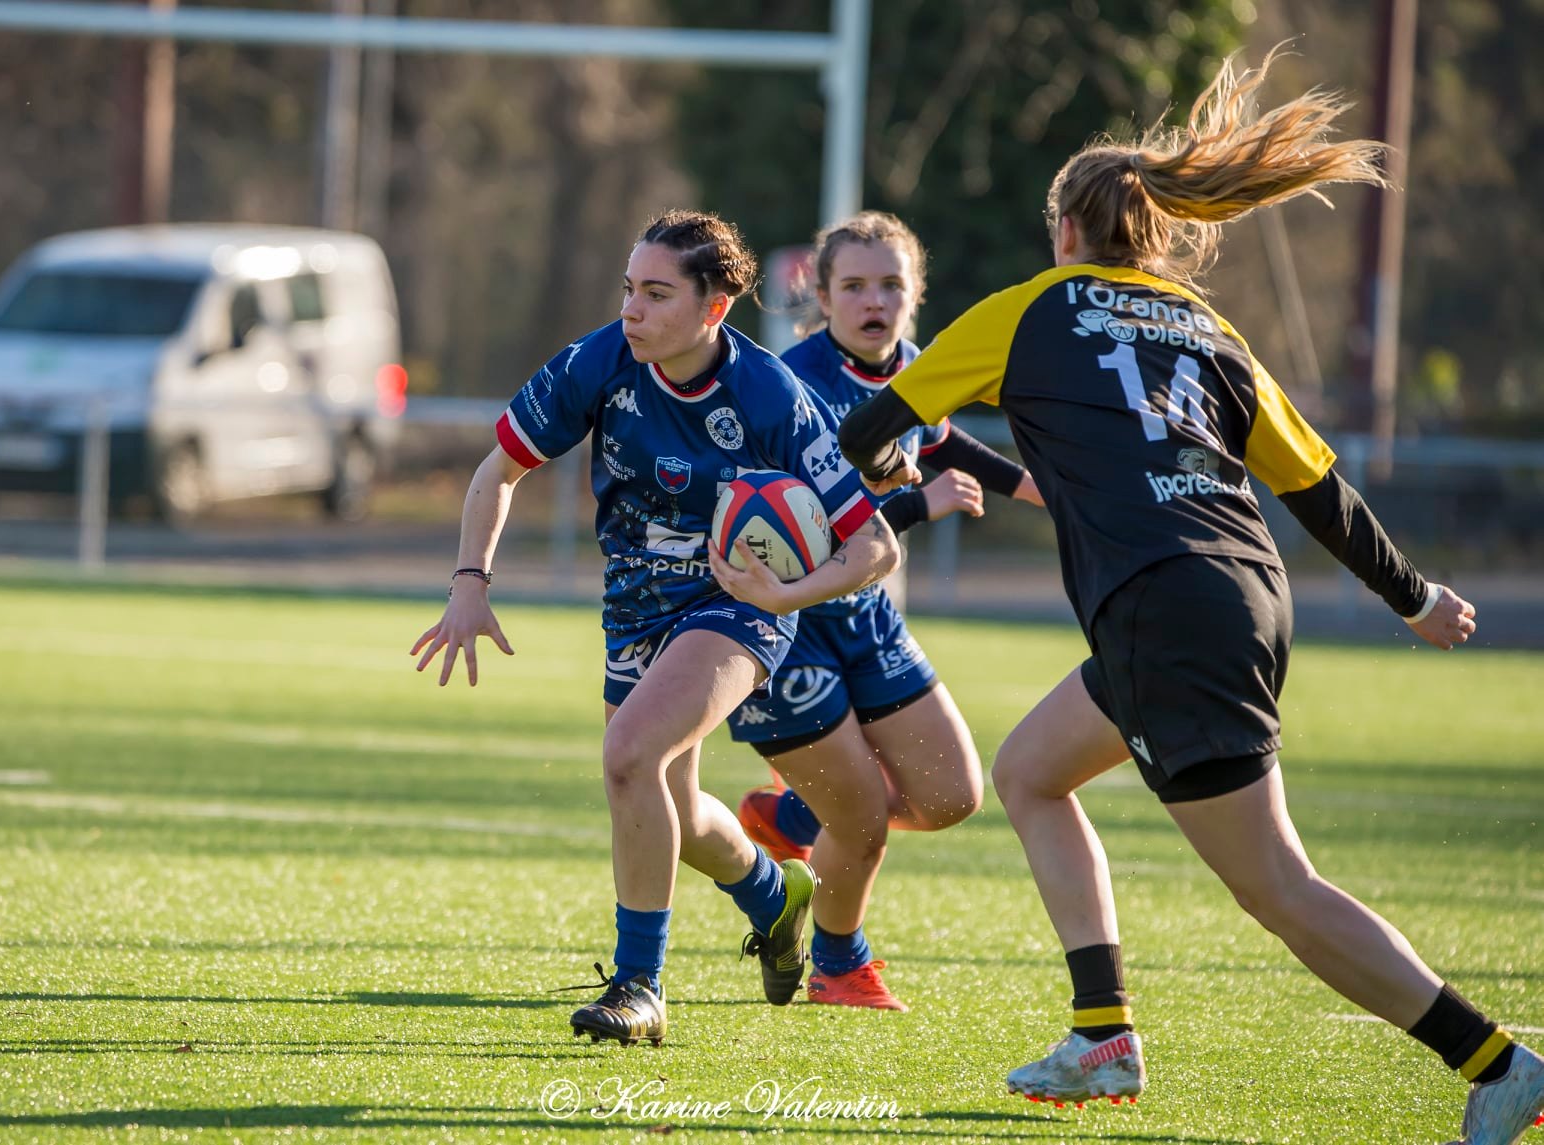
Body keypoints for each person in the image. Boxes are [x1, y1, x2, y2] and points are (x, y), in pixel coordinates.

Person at [836, 50, 1542, 1143]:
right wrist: (1413, 597)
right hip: (1239, 589)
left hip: (1166, 607)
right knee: (1030, 770)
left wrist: (888, 475)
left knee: (1276, 884)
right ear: (1154, 226)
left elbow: (870, 426)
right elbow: (1320, 491)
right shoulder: (1208, 330)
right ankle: (1102, 1031)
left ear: (1066, 229)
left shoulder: (1030, 309)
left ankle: (1496, 1059)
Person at [411, 210, 902, 1047]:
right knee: (670, 803)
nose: (632, 310)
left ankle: (640, 986)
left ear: (714, 308)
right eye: (629, 290)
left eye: (657, 293)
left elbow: (873, 546)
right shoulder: (602, 360)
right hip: (636, 607)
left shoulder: (771, 395)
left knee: (628, 756)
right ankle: (774, 896)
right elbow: (499, 470)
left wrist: (785, 597)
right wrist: (469, 583)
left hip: (740, 607)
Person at [716, 211, 1042, 1011]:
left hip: (868, 619)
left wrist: (1034, 488)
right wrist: (917, 508)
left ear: (914, 296)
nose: (875, 300)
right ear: (821, 296)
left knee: (952, 795)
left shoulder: (915, 369)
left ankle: (791, 814)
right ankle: (838, 962)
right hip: (789, 627)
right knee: (859, 821)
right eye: (854, 285)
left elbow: (940, 437)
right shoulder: (793, 386)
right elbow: (802, 528)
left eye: (891, 284)